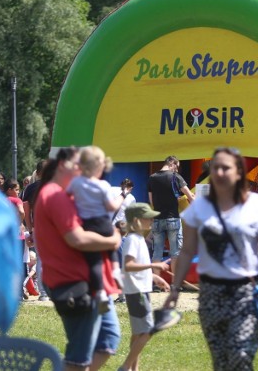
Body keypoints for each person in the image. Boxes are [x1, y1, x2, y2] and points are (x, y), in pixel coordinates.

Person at [164, 147, 258, 371]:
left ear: (239, 172)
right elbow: (186, 251)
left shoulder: (256, 204)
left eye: (226, 168)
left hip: (247, 291)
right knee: (221, 361)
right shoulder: (200, 207)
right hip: (211, 293)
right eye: (216, 168)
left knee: (240, 356)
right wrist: (175, 288)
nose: (220, 172)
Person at [34, 147, 121, 371]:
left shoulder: (65, 194)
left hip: (89, 283)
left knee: (109, 338)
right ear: (62, 164)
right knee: (78, 359)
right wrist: (112, 241)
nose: (83, 170)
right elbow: (77, 239)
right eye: (78, 165)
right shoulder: (55, 195)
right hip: (74, 284)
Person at [67, 146, 131, 313]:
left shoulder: (76, 183)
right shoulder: (103, 185)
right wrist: (122, 196)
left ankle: (101, 293)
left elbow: (67, 198)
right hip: (104, 223)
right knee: (112, 249)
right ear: (99, 167)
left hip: (88, 224)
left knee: (94, 260)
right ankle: (116, 272)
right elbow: (111, 206)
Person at [118, 203, 171, 371]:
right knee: (148, 330)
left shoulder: (139, 239)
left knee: (138, 332)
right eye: (148, 217)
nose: (152, 220)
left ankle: (134, 368)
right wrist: (153, 267)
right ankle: (126, 367)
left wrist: (154, 277)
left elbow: (138, 265)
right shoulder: (133, 239)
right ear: (136, 220)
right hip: (137, 292)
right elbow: (129, 265)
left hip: (140, 290)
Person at [148, 156, 195, 275]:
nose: (177, 170)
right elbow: (190, 197)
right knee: (175, 253)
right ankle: (175, 283)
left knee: (157, 252)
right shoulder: (175, 177)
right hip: (173, 218)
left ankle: (157, 282)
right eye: (177, 166)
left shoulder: (152, 178)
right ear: (172, 163)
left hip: (158, 219)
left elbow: (152, 201)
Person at [23, 159, 48, 300]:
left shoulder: (30, 189)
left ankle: (44, 294)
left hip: (39, 227)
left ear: (37, 173)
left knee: (41, 260)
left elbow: (26, 210)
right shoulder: (56, 186)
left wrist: (30, 229)